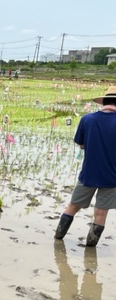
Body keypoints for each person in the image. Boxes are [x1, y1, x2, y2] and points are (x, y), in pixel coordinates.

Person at [54, 86, 116, 247]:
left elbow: (81, 145)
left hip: (88, 173)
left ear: (104, 101)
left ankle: (58, 238)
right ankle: (90, 248)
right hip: (112, 176)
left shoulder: (87, 119)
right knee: (101, 213)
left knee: (73, 206)